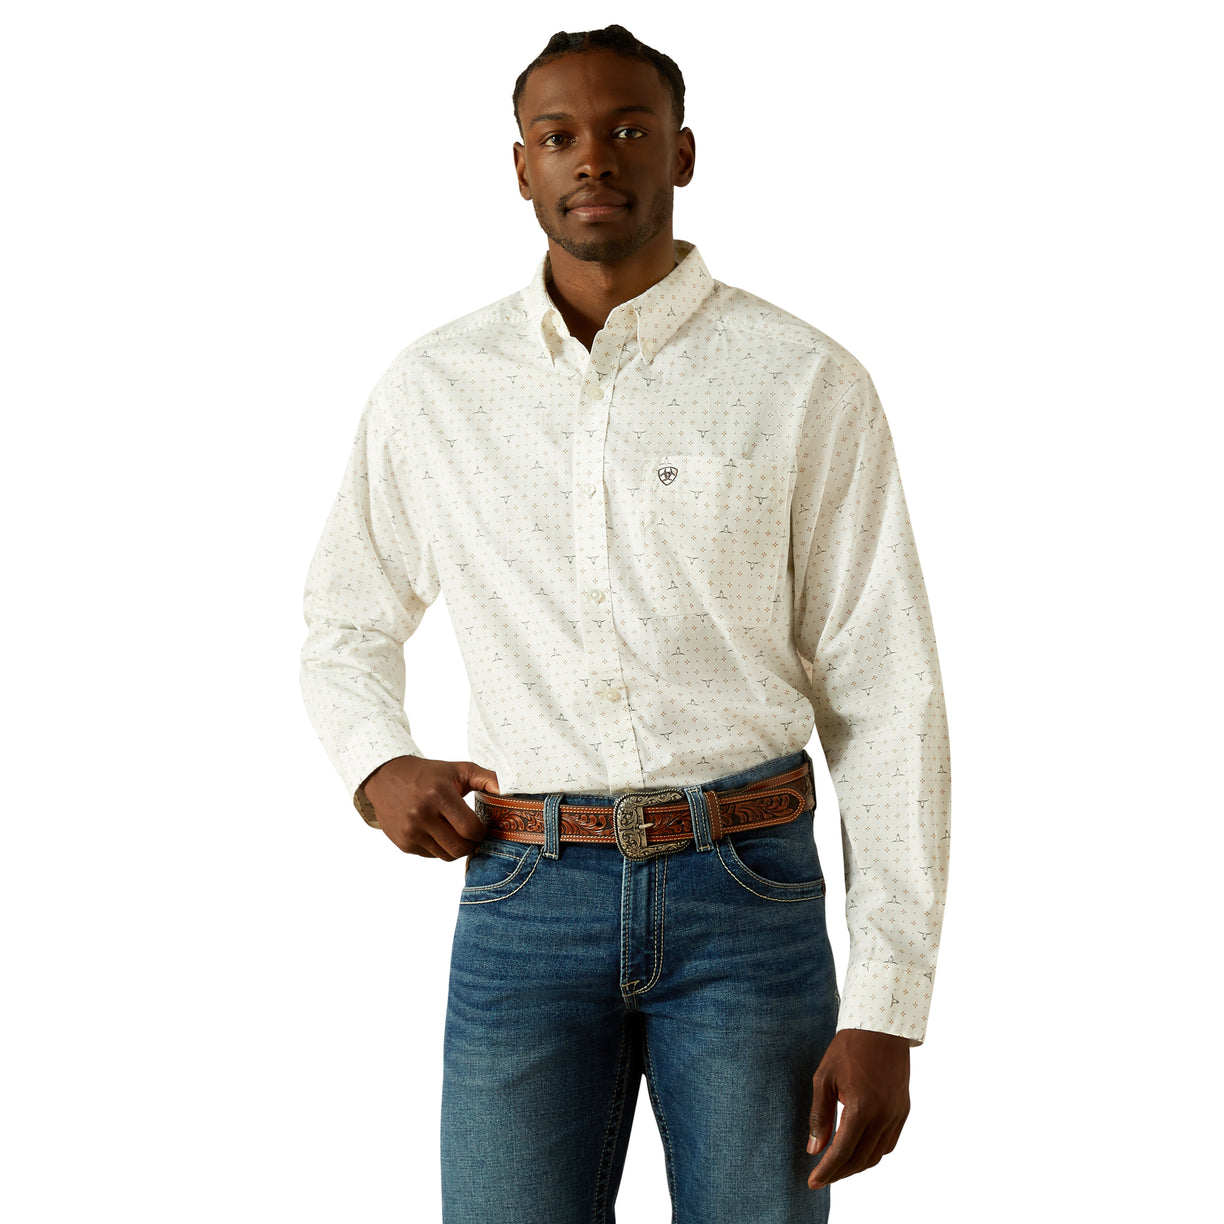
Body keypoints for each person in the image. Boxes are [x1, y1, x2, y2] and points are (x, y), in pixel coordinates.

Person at [299, 23, 950, 1224]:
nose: (592, 157)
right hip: (521, 899)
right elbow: (344, 619)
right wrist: (374, 762)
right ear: (521, 166)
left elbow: (886, 684)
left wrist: (886, 1006)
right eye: (560, 136)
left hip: (747, 896)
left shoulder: (803, 380)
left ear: (682, 153)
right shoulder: (434, 389)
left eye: (627, 129)